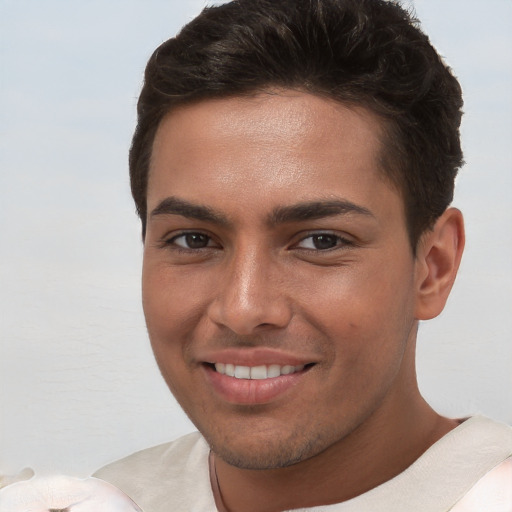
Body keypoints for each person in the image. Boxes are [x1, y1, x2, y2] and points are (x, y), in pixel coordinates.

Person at [93, 0, 512, 510]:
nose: (243, 308)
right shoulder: (110, 497)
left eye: (321, 241)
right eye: (194, 240)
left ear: (433, 268)